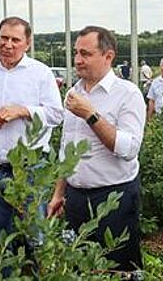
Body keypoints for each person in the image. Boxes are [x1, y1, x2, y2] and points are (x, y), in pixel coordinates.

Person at [48, 26, 146, 272]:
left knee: (117, 269)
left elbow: (128, 148)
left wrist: (90, 114)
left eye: (86, 54)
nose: (78, 60)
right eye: (76, 53)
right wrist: (59, 192)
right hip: (76, 199)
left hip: (114, 199)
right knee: (79, 268)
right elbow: (66, 148)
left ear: (108, 56)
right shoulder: (74, 93)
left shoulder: (128, 94)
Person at [0, 16, 63, 242]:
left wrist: (22, 111)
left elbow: (56, 114)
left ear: (27, 43)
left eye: (15, 39)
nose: (8, 44)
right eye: (3, 38)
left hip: (32, 169)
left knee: (35, 236)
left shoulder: (40, 73)